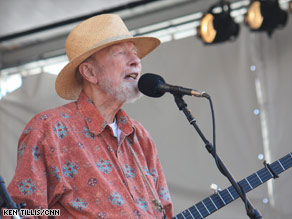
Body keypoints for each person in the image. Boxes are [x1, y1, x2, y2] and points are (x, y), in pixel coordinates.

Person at [7, 14, 173, 218]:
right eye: (121, 53)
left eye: (135, 53)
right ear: (90, 72)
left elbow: (164, 211)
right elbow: (18, 212)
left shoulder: (140, 137)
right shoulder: (49, 129)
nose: (136, 61)